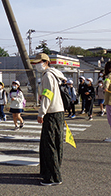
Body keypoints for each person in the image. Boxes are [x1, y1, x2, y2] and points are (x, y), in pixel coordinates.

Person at [33, 53, 65, 186]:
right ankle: (51, 171)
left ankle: (53, 177)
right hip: (58, 111)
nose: (36, 65)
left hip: (51, 112)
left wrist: (41, 112)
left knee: (49, 144)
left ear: (45, 62)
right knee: (56, 143)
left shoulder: (47, 76)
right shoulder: (55, 74)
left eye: (37, 62)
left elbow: (47, 95)